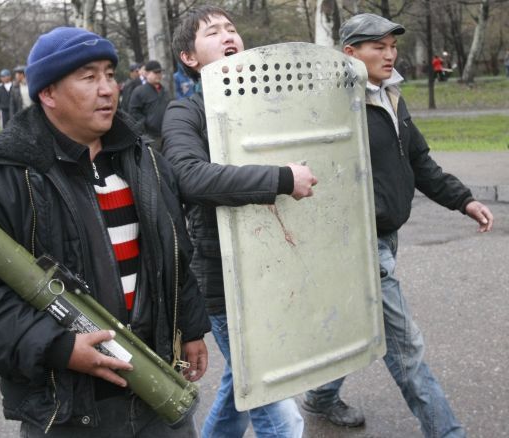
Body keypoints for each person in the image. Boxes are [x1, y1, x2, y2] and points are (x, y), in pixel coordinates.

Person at [0, 26, 210, 437]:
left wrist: (192, 326)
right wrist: (55, 346)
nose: (108, 88)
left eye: (110, 74)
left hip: (158, 394)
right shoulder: (4, 175)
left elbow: (175, 248)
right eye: (89, 77)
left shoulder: (144, 156)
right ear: (48, 94)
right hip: (68, 411)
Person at [302, 13, 494, 437]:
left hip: (387, 234)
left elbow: (419, 161)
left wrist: (464, 200)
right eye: (378, 47)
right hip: (358, 243)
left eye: (392, 46)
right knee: (405, 345)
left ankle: (319, 397)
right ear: (349, 53)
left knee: (355, 323)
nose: (389, 55)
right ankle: (447, 431)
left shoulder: (390, 94)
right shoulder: (333, 106)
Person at [162, 6, 318, 437]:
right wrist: (283, 179)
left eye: (232, 28)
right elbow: (190, 177)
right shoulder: (183, 113)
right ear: (188, 58)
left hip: (276, 272)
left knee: (239, 396)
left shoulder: (265, 107)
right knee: (282, 418)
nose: (229, 36)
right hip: (229, 288)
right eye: (213, 32)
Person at [128, 60, 170, 148]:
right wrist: (145, 124)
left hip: (166, 135)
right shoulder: (139, 91)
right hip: (150, 138)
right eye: (156, 72)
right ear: (146, 73)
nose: (159, 75)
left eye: (160, 72)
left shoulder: (164, 90)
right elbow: (133, 112)